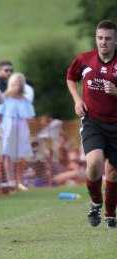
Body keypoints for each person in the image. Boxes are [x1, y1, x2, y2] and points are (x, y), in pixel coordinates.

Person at [66, 19, 117, 228]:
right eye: (100, 38)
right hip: (92, 121)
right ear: (96, 39)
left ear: (115, 41)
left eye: (108, 39)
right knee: (94, 162)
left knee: (113, 171)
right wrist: (77, 100)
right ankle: (95, 202)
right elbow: (70, 78)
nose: (103, 42)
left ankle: (110, 214)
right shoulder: (84, 60)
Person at [0, 73, 35, 190]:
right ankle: (11, 180)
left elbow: (30, 117)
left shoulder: (25, 100)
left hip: (22, 128)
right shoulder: (5, 97)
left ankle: (20, 181)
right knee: (8, 154)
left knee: (21, 155)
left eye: (19, 83)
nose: (17, 85)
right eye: (15, 83)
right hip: (8, 126)